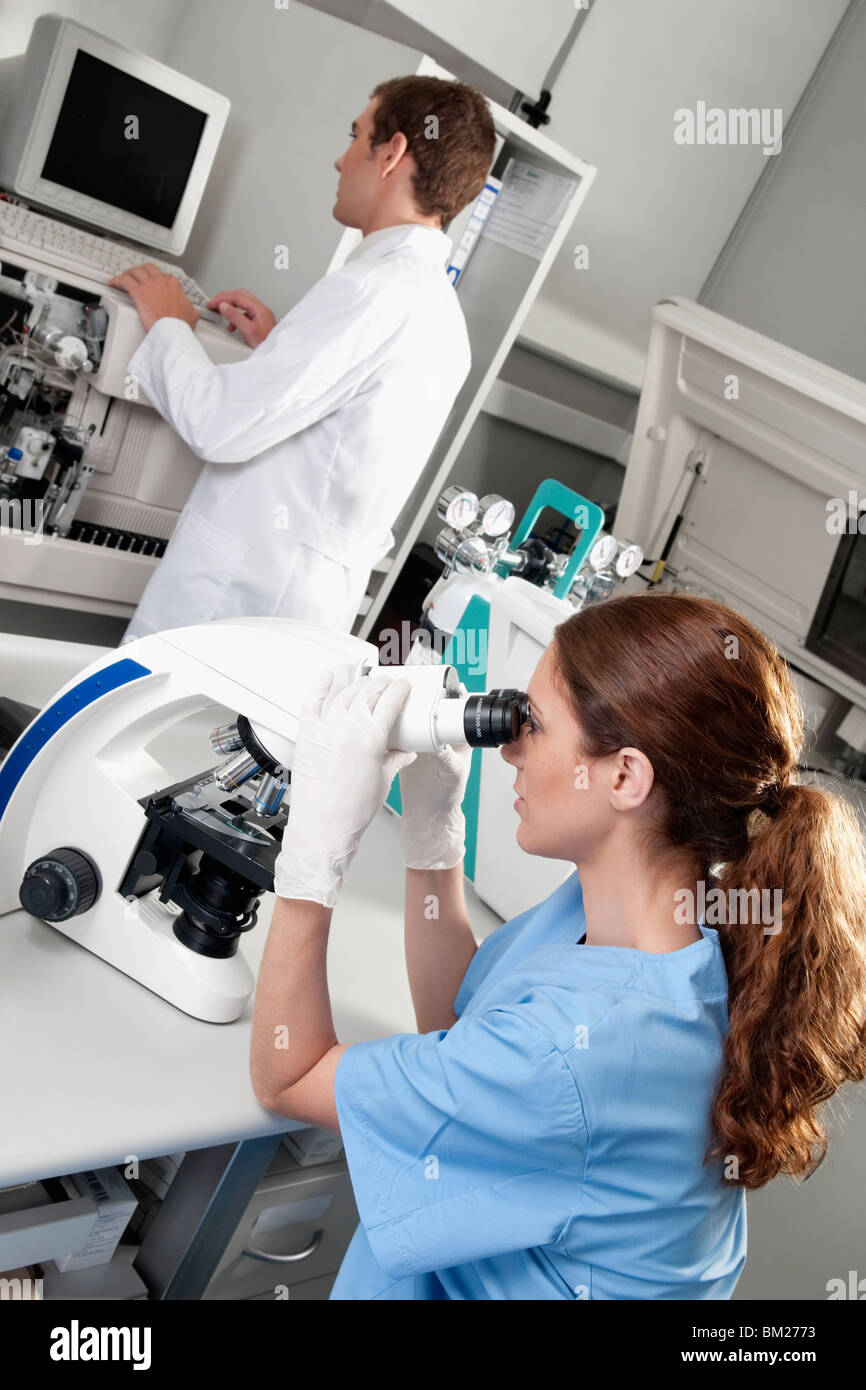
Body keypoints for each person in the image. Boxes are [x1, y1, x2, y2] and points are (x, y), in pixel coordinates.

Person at [249, 591, 866, 1299]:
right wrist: (432, 832)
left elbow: (288, 1077)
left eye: (533, 724)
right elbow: (458, 1026)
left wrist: (312, 855)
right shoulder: (664, 928)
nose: (508, 746)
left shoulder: (585, 1047)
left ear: (626, 776)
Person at [109, 77, 495, 643]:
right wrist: (279, 348)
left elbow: (218, 426)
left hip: (241, 599)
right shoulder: (440, 315)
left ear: (392, 154)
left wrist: (169, 320)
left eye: (355, 135)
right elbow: (349, 434)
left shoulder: (370, 290)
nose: (340, 161)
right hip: (300, 608)